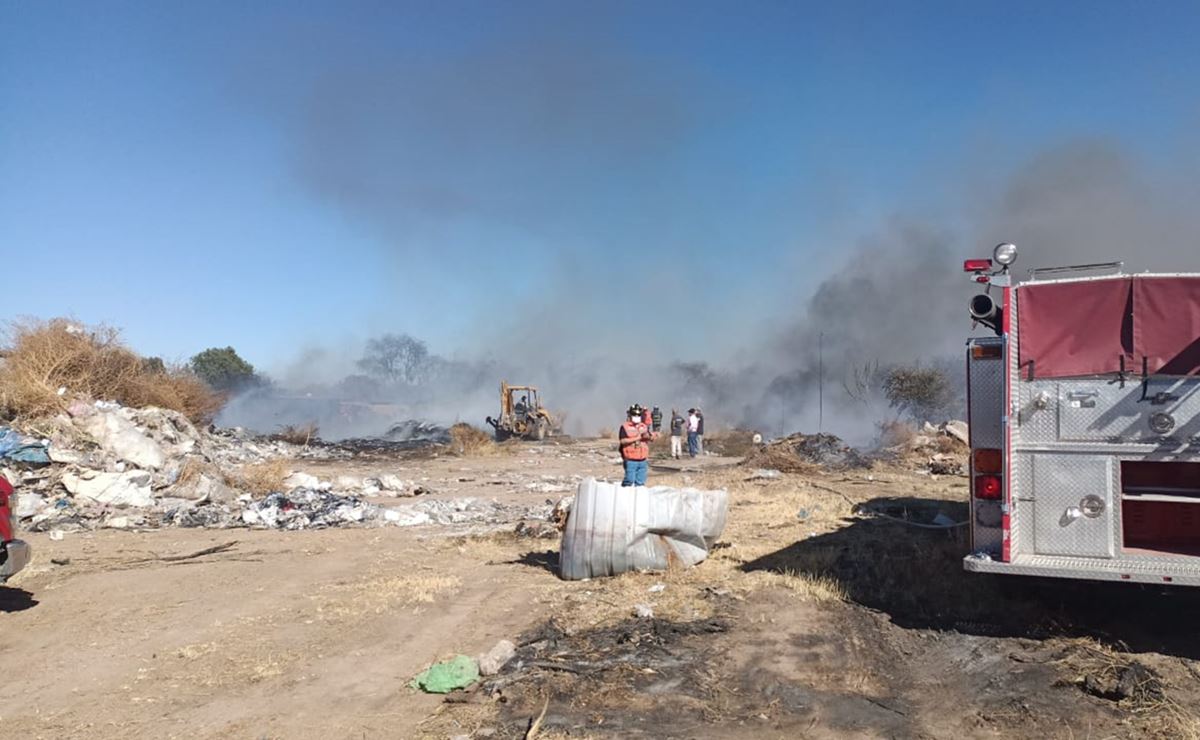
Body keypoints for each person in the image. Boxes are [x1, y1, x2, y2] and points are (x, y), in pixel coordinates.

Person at [619, 404, 654, 486]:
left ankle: (638, 496)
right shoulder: (625, 427)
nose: (637, 416)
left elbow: (648, 435)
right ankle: (623, 492)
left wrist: (649, 437)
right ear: (630, 415)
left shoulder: (643, 426)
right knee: (629, 479)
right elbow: (623, 441)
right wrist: (636, 438)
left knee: (640, 482)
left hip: (642, 459)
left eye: (638, 414)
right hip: (631, 459)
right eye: (634, 414)